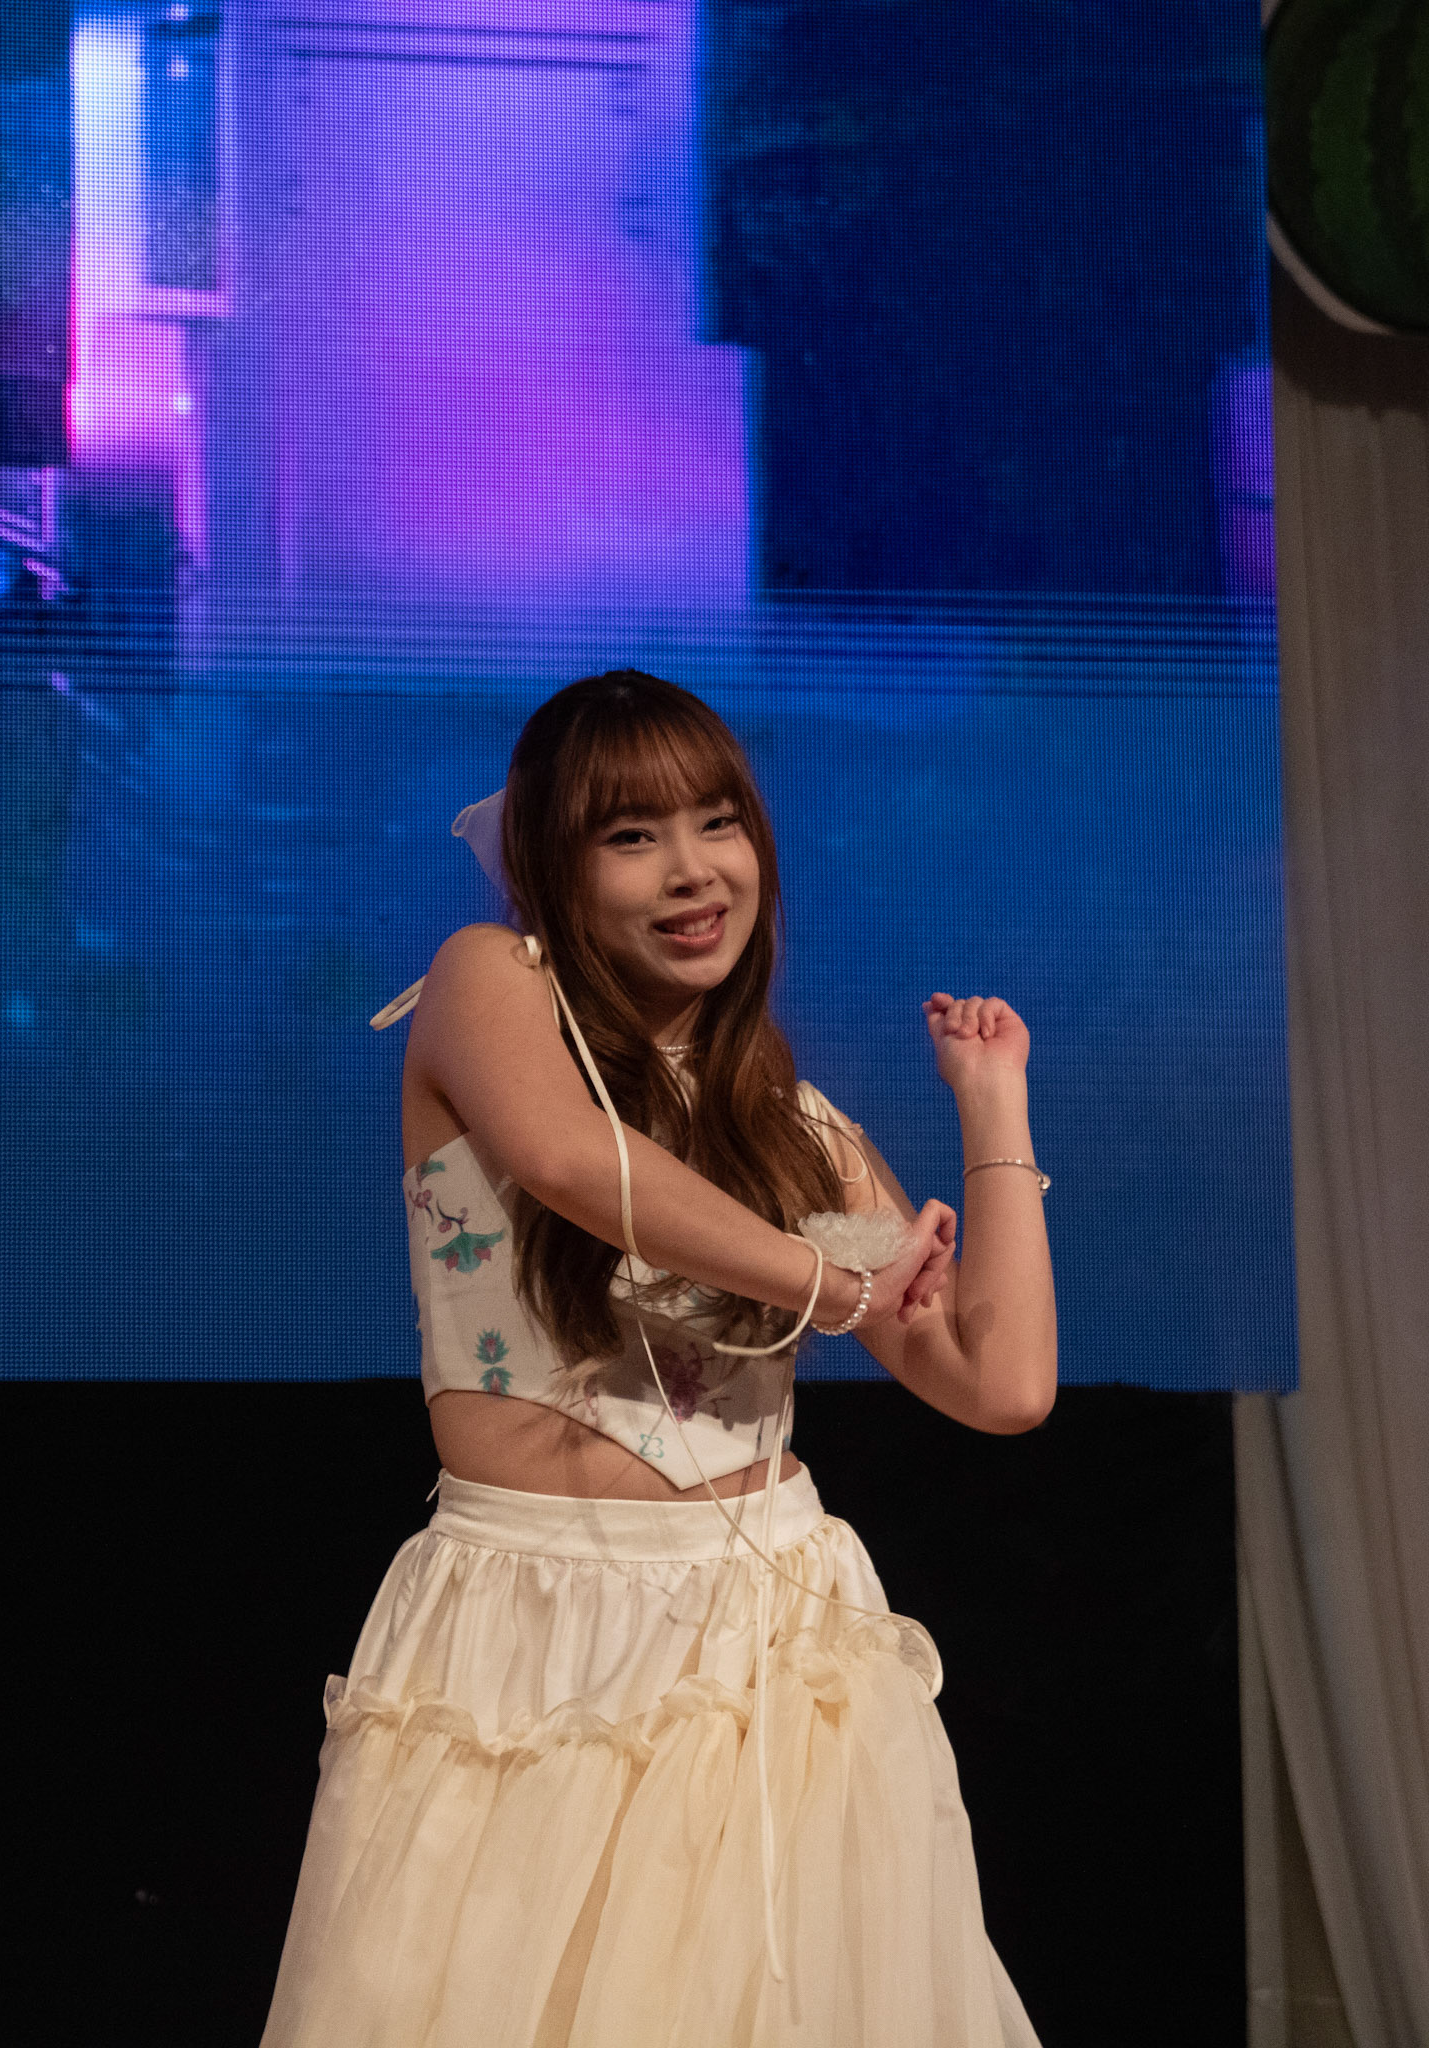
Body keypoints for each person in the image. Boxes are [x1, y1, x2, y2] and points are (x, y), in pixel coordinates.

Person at [260, 670, 1055, 2047]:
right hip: (534, 1623)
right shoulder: (489, 981)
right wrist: (832, 1282)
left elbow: (1002, 1385)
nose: (693, 871)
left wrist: (994, 1109)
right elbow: (577, 1162)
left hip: (775, 1638)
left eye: (717, 823)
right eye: (633, 837)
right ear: (554, 868)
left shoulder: (794, 1124)